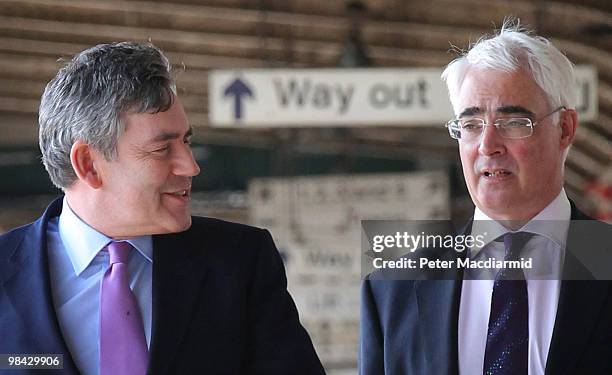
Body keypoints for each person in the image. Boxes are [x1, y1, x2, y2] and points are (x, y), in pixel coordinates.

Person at [0, 42, 325, 375]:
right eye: (161, 150)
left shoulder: (240, 263)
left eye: (186, 141)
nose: (191, 166)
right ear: (89, 165)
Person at [360, 20, 612, 374]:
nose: (487, 146)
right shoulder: (391, 292)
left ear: (565, 129)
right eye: (471, 125)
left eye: (513, 123)